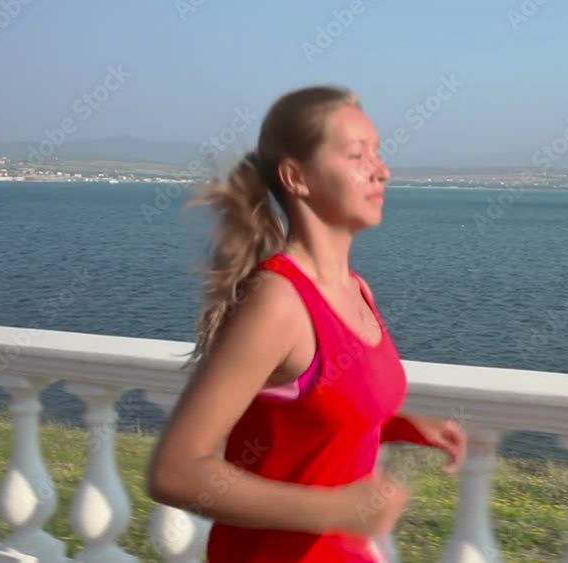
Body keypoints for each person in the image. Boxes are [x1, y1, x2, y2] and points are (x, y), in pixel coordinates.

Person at [146, 85, 467, 563]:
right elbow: (175, 472)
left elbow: (308, 413)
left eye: (378, 154)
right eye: (358, 155)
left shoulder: (356, 290)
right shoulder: (278, 301)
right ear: (296, 177)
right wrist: (334, 509)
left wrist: (395, 425)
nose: (382, 170)